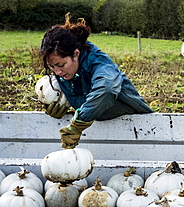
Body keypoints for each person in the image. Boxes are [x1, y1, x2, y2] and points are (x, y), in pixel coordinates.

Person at [40, 14, 153, 149]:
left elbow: (106, 89)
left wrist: (79, 123)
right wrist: (62, 106)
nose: (57, 72)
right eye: (52, 67)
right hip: (104, 133)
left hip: (139, 131)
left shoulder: (99, 64)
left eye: (60, 65)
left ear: (76, 54)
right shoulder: (65, 72)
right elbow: (82, 97)